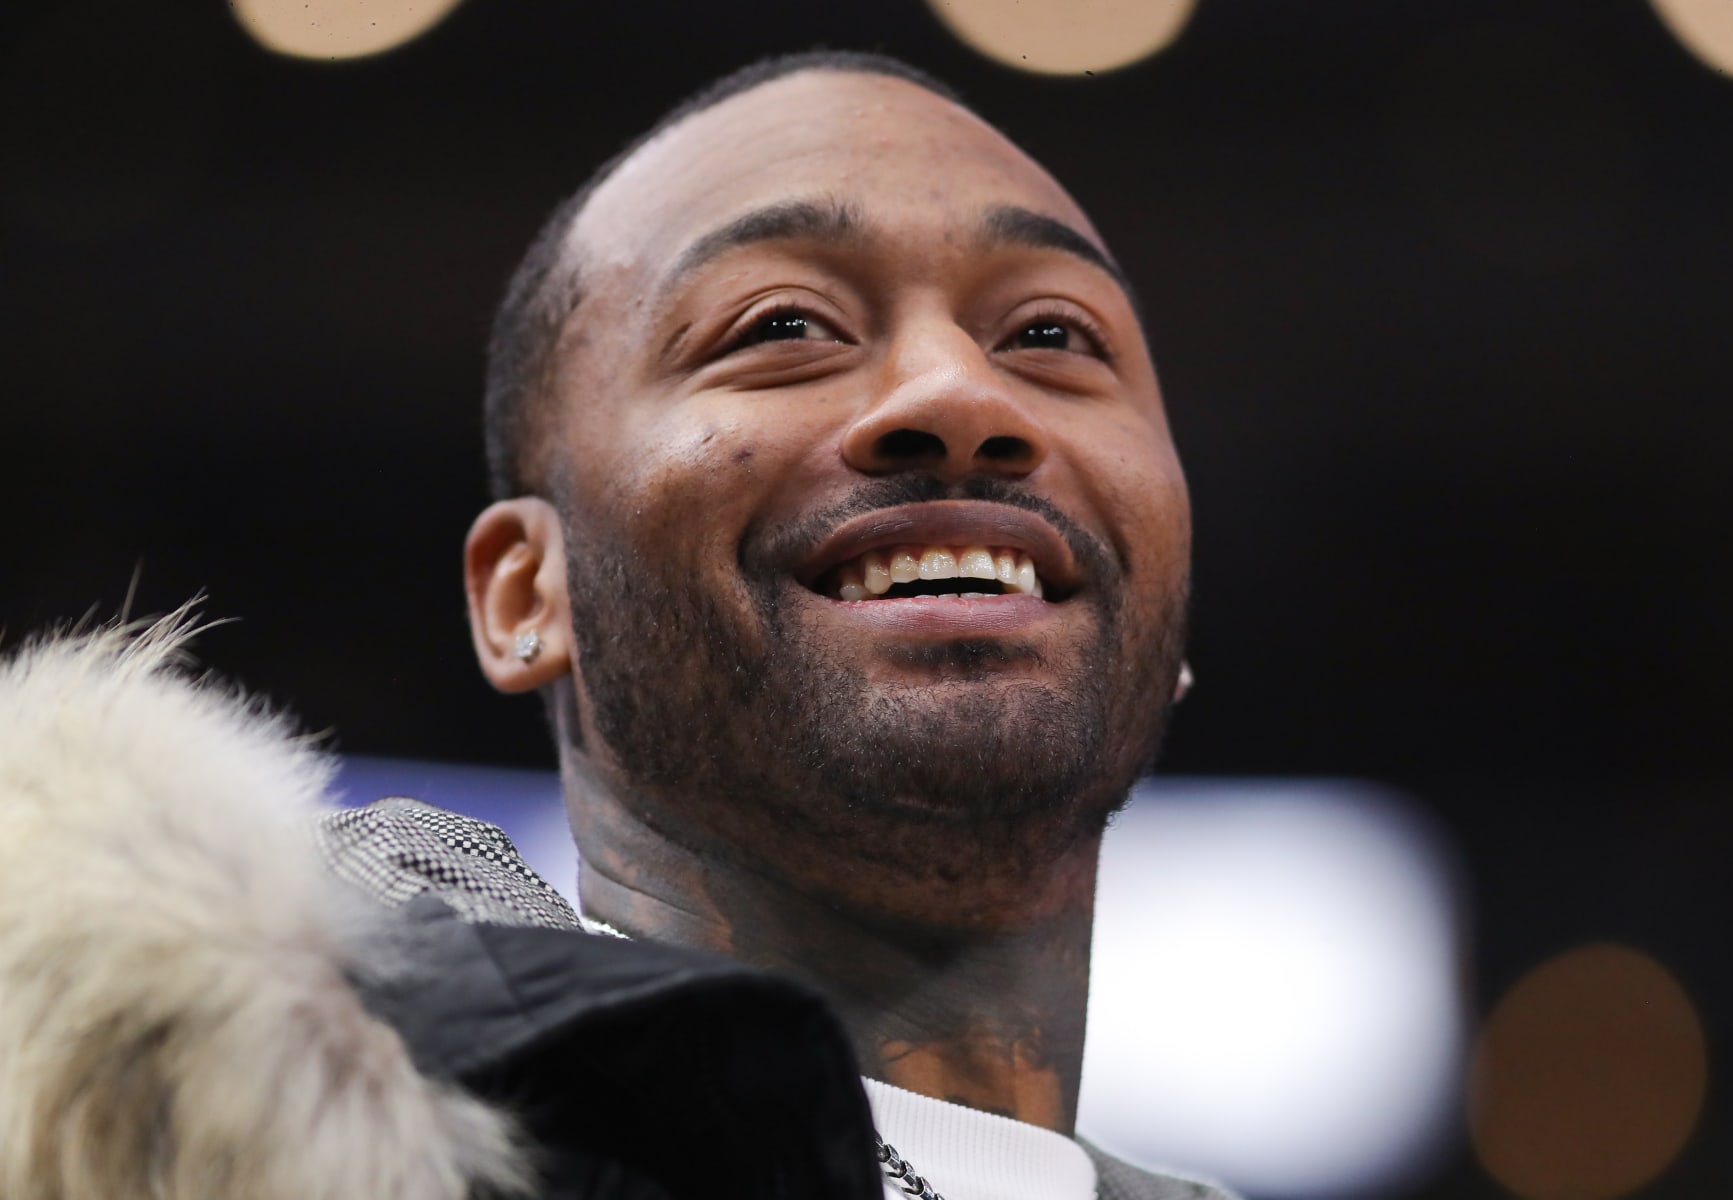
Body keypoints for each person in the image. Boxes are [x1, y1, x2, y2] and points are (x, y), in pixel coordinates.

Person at [0, 51, 1222, 1200]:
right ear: (529, 596)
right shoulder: (190, 1134)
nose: (958, 393)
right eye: (784, 326)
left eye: (1052, 336)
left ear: (1171, 615)